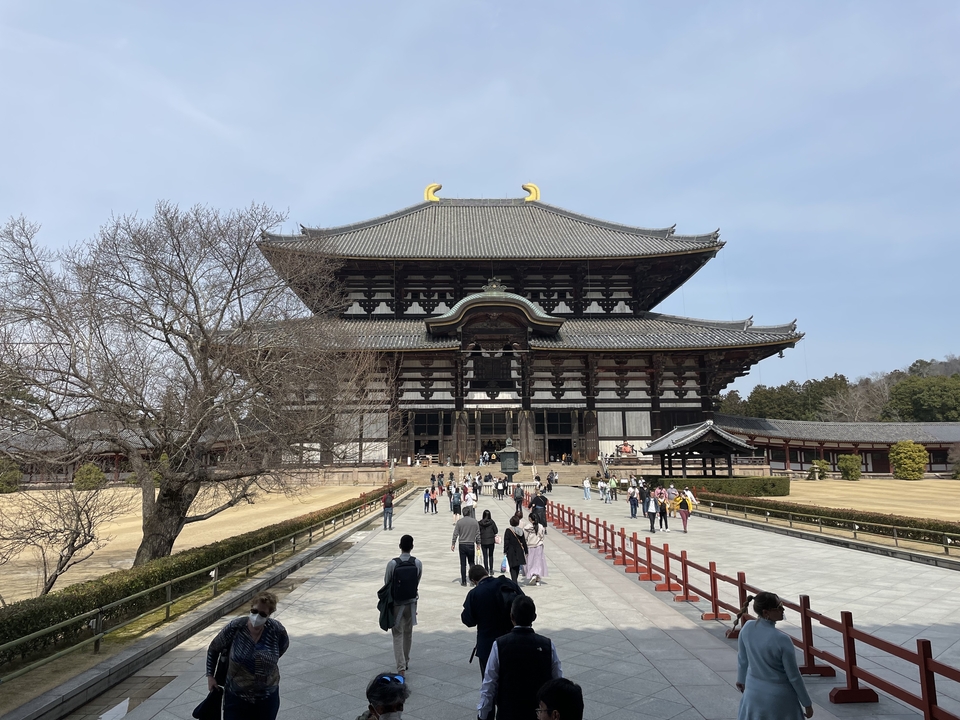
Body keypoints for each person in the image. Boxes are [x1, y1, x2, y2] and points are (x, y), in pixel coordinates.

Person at [206, 591, 289, 720]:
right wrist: (210, 676)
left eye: (262, 614)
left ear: (269, 615)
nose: (257, 617)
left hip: (266, 698)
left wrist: (265, 662)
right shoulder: (236, 626)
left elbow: (282, 647)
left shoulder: (276, 630)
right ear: (251, 609)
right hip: (236, 697)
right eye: (254, 611)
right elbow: (213, 648)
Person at [477, 596, 562, 720]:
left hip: (508, 712)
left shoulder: (500, 645)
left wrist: (482, 715)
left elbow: (489, 685)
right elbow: (557, 681)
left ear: (511, 617)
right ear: (534, 617)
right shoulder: (547, 645)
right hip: (537, 713)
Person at [736, 592, 814, 719]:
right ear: (766, 612)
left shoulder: (748, 627)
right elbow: (794, 676)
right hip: (779, 699)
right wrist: (807, 703)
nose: (783, 610)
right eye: (779, 607)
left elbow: (742, 659)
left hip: (753, 693)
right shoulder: (782, 639)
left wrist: (741, 680)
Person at [461, 565, 524, 678]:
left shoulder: (475, 593)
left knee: (490, 681)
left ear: (474, 580)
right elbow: (524, 602)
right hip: (512, 639)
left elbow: (468, 620)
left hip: (487, 644)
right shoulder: (508, 583)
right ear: (486, 572)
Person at [384, 534, 422, 676]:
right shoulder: (417, 563)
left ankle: (400, 666)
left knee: (397, 633)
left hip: (397, 604)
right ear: (412, 547)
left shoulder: (392, 564)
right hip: (412, 603)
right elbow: (417, 580)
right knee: (408, 633)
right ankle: (406, 660)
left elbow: (387, 582)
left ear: (400, 546)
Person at [451, 510, 481, 586]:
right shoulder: (474, 522)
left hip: (462, 544)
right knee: (471, 563)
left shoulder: (459, 522)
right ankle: (473, 580)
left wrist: (453, 543)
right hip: (471, 544)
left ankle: (463, 581)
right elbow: (478, 534)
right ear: (469, 513)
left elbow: (455, 533)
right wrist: (478, 543)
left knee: (463, 564)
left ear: (463, 513)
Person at [523, 512, 548, 586]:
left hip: (530, 546)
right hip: (538, 546)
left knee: (530, 562)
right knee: (539, 562)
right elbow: (542, 537)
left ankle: (532, 574)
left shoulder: (528, 527)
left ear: (530, 519)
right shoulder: (540, 527)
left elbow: (525, 537)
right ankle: (538, 579)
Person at [503, 514, 528, 583]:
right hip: (519, 550)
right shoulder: (521, 531)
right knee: (517, 566)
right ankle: (515, 580)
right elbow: (524, 542)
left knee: (512, 566)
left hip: (511, 550)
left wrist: (505, 550)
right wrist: (526, 551)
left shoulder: (508, 530)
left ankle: (514, 580)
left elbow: (506, 541)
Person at [478, 509, 499, 574]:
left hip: (483, 541)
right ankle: (491, 569)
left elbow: (478, 532)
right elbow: (496, 531)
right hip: (491, 541)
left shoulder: (480, 523)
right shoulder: (492, 522)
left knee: (485, 555)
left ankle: (486, 569)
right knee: (491, 555)